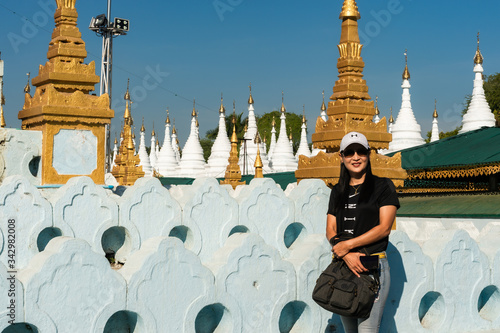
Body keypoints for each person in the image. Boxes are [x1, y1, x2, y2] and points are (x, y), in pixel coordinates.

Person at [326, 131, 399, 333]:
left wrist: (347, 246)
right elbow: (330, 229)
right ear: (341, 157)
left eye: (361, 151)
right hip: (344, 266)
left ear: (368, 154)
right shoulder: (337, 191)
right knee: (349, 330)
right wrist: (346, 255)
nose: (355, 157)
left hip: (371, 264)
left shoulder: (383, 186)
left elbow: (384, 228)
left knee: (367, 329)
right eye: (349, 153)